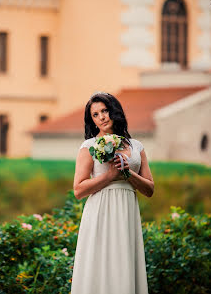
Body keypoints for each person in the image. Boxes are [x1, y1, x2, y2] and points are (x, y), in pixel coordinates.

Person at [71, 92, 154, 294]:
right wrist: (110, 176)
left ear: (114, 111)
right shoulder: (89, 146)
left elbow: (150, 189)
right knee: (100, 262)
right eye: (95, 114)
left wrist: (128, 174)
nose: (101, 117)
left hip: (126, 211)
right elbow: (78, 189)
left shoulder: (137, 146)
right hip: (100, 211)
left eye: (105, 110)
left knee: (123, 260)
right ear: (92, 120)